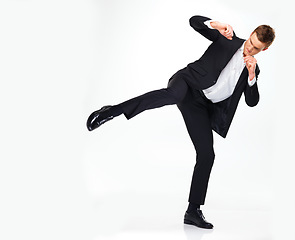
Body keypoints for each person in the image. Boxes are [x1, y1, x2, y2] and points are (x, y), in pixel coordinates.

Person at [86, 15, 275, 229]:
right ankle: (113, 111)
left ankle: (193, 211)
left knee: (207, 154)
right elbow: (194, 22)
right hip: (187, 83)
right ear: (249, 35)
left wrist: (251, 75)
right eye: (250, 43)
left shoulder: (253, 68)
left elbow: (252, 102)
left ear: (264, 50)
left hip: (201, 106)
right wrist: (216, 24)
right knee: (172, 95)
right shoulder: (227, 39)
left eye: (256, 49)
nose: (249, 50)